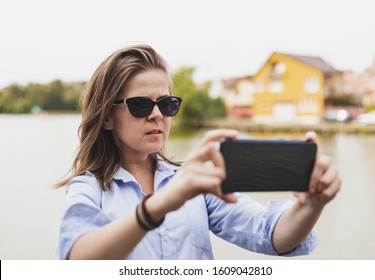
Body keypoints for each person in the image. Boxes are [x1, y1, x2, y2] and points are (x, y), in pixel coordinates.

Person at [55, 44, 341, 260]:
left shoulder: (194, 181)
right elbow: (76, 257)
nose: (157, 115)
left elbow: (272, 234)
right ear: (106, 117)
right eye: (140, 105)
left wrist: (312, 203)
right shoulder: (89, 188)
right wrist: (160, 204)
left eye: (166, 104)